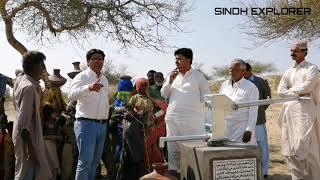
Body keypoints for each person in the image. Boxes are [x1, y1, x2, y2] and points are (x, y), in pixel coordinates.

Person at [161, 48, 209, 175]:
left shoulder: (198, 76)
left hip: (192, 121)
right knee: (174, 150)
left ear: (189, 60)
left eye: (179, 58)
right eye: (176, 58)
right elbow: (163, 94)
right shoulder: (172, 76)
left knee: (194, 149)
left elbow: (207, 98)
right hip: (173, 119)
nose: (176, 61)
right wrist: (170, 80)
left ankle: (195, 175)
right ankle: (175, 174)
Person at [278, 41, 320, 180]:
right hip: (289, 114)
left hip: (306, 115)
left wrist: (290, 92)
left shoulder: (312, 68)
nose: (292, 53)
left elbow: (307, 87)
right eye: (291, 51)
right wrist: (296, 93)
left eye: (295, 51)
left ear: (304, 52)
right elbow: (280, 91)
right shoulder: (288, 71)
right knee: (290, 150)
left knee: (308, 149)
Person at [68, 49, 109, 180]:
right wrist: (89, 88)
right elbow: (71, 95)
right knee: (85, 162)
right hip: (86, 124)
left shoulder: (105, 79)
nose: (98, 61)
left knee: (95, 162)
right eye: (95, 58)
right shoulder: (82, 76)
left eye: (101, 59)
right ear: (88, 61)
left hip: (102, 125)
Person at [13, 51, 52, 180]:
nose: (43, 69)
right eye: (42, 66)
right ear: (35, 67)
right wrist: (30, 148)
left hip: (26, 136)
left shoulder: (21, 81)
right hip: (28, 138)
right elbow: (23, 123)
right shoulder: (29, 88)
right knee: (25, 173)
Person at [219, 59, 259, 144]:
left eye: (235, 70)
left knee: (243, 154)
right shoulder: (224, 85)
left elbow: (253, 111)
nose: (232, 72)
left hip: (242, 129)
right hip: (227, 129)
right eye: (230, 69)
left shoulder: (251, 87)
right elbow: (220, 104)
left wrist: (249, 130)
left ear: (243, 72)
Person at [244, 62, 271, 178]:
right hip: (244, 121)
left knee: (261, 146)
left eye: (243, 71)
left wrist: (258, 112)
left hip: (259, 121)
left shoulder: (261, 82)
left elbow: (267, 100)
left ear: (249, 71)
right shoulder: (238, 83)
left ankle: (264, 171)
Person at [116, 105, 145, 180]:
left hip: (136, 152)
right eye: (125, 111)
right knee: (124, 166)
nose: (127, 112)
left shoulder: (137, 119)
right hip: (126, 151)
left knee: (136, 167)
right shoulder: (124, 120)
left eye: (129, 110)